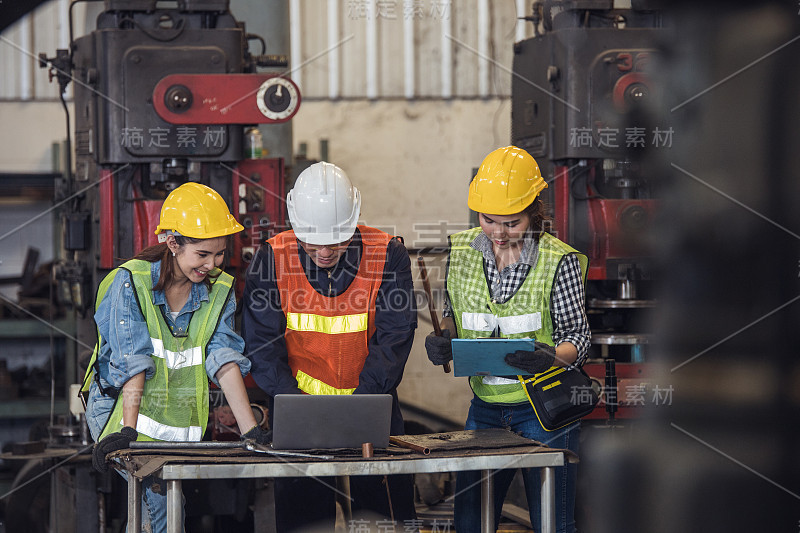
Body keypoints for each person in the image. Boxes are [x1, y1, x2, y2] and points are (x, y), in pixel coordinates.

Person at [83, 182, 270, 533]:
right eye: (202, 254)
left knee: (157, 510)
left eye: (219, 254)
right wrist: (128, 432)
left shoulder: (218, 290)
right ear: (172, 243)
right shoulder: (129, 283)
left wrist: (252, 432)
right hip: (119, 408)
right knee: (162, 509)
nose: (212, 264)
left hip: (171, 408)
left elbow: (224, 359)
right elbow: (132, 362)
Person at [242, 162, 418, 531]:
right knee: (306, 524)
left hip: (374, 408)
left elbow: (395, 338)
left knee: (383, 523)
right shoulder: (271, 258)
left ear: (354, 222)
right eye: (311, 241)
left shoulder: (387, 254)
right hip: (298, 416)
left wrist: (360, 406)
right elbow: (262, 345)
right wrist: (295, 407)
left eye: (336, 240)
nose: (323, 251)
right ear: (295, 225)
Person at [425, 146, 590, 533]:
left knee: (553, 523)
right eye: (488, 220)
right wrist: (444, 337)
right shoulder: (463, 250)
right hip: (484, 407)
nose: (498, 233)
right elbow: (456, 316)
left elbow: (579, 339)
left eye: (512, 222)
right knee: (470, 522)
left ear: (534, 211)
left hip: (545, 411)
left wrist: (551, 356)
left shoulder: (557, 261)